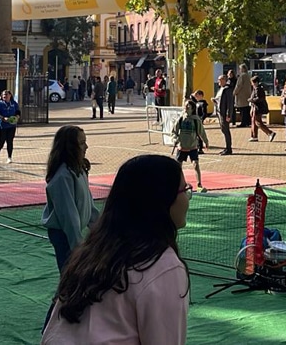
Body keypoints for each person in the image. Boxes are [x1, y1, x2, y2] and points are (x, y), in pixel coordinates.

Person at [41, 154, 191, 345]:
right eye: (184, 190)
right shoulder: (163, 266)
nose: (187, 198)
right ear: (162, 200)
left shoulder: (92, 251)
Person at [41, 126, 99, 271]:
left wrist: (100, 230)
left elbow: (89, 205)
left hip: (73, 231)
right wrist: (77, 245)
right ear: (70, 147)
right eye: (81, 143)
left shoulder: (78, 170)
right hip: (64, 234)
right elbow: (68, 214)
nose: (86, 147)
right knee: (70, 275)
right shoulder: (63, 177)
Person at [175, 91, 210, 191]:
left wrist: (206, 142)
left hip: (193, 146)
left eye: (188, 107)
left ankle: (199, 184)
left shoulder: (196, 120)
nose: (186, 109)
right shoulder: (181, 118)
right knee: (178, 166)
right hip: (182, 146)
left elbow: (201, 132)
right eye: (185, 107)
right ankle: (178, 183)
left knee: (195, 164)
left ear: (192, 108)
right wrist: (175, 139)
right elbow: (174, 131)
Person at [0, 90, 21, 163]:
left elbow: (18, 112)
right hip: (2, 125)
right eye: (3, 95)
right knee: (1, 141)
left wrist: (17, 117)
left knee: (10, 141)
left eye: (6, 94)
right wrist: (3, 118)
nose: (4, 96)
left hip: (11, 125)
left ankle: (9, 157)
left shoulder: (14, 103)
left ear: (10, 95)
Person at [213, 74, 234, 155]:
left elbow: (230, 103)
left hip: (224, 113)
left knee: (226, 130)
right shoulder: (221, 89)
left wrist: (229, 114)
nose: (219, 81)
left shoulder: (227, 89)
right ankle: (227, 147)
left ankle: (229, 148)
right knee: (223, 130)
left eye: (220, 80)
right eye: (218, 80)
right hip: (219, 112)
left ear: (224, 80)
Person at [233, 65, 253, 129]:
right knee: (246, 109)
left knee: (243, 110)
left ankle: (243, 122)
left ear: (243, 69)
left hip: (241, 95)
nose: (239, 70)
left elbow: (239, 85)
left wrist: (234, 92)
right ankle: (247, 122)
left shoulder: (242, 76)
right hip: (247, 94)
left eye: (240, 68)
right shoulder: (248, 75)